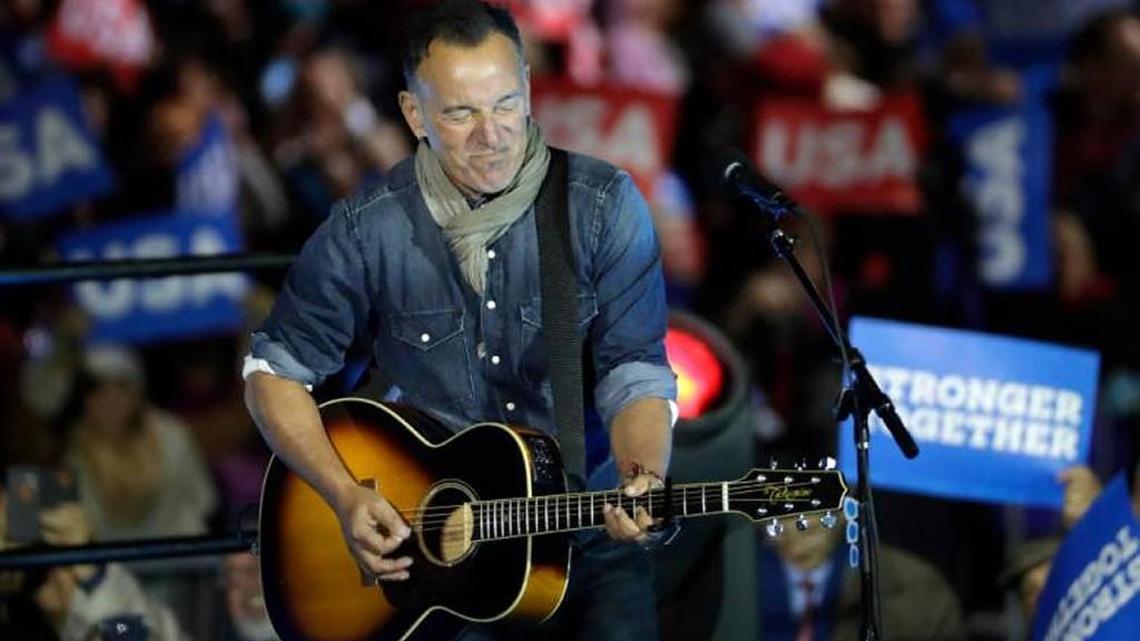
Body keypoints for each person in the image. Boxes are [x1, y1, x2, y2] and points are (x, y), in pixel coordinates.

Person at [241, 1, 677, 640]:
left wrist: (645, 476)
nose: (492, 134)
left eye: (505, 104)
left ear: (529, 89)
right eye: (460, 113)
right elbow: (272, 372)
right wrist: (343, 494)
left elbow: (636, 373)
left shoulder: (601, 206)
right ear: (414, 114)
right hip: (431, 563)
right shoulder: (371, 225)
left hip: (586, 536)